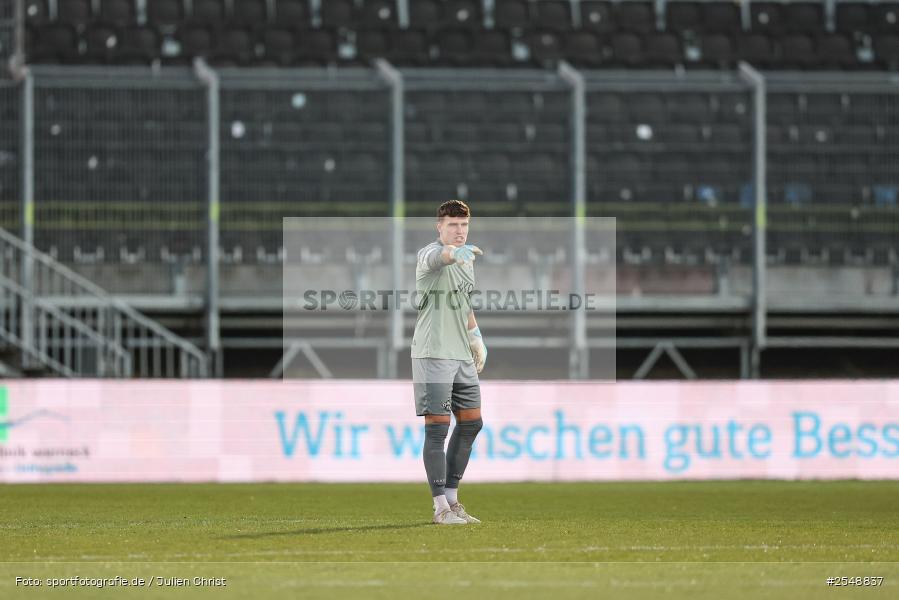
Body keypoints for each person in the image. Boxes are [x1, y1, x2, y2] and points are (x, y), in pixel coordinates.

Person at [411, 199, 487, 525]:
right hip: (434, 352)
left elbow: (464, 302)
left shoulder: (468, 260)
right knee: (437, 429)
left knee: (471, 423)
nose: (459, 231)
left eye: (464, 225)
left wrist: (476, 337)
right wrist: (452, 253)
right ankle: (439, 507)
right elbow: (437, 258)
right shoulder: (429, 255)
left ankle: (453, 500)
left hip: (461, 355)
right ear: (439, 227)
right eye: (453, 225)